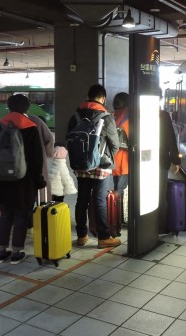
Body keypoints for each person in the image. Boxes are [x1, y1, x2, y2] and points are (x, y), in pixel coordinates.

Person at [0, 94, 45, 264]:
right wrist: (38, 180)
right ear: (26, 108)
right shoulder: (30, 127)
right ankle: (16, 252)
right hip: (23, 181)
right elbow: (36, 159)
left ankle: (1, 251)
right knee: (21, 214)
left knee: (6, 214)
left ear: (9, 106)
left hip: (1, 179)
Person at [67, 83, 120, 249]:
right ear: (103, 98)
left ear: (88, 96)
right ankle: (103, 237)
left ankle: (82, 236)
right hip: (100, 165)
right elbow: (115, 145)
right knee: (99, 200)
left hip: (81, 165)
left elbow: (69, 138)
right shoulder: (106, 117)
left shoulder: (75, 116)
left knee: (81, 200)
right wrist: (105, 158)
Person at [158, 108, 181, 233]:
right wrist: (176, 160)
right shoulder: (163, 115)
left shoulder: (139, 112)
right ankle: (160, 227)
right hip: (161, 161)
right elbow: (170, 138)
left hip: (142, 162)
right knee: (161, 196)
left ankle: (146, 224)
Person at [28, 114, 54, 203]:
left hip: (14, 166)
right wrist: (49, 153)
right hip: (37, 160)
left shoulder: (5, 121)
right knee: (41, 188)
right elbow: (49, 138)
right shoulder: (35, 120)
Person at [112, 92, 130, 200]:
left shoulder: (114, 117)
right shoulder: (128, 118)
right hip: (125, 162)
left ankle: (115, 212)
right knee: (121, 191)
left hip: (115, 160)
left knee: (117, 189)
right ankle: (120, 215)